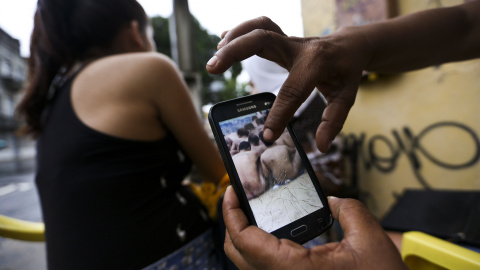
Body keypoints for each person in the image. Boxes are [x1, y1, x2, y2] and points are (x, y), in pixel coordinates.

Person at [206, 1, 480, 269]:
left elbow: (469, 25)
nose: (252, 87)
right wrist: (358, 45)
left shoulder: (296, 110)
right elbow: (468, 24)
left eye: (253, 81)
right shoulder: (300, 102)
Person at [16, 0, 226, 269]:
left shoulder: (51, 101)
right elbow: (220, 174)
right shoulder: (150, 69)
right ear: (135, 34)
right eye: (152, 37)